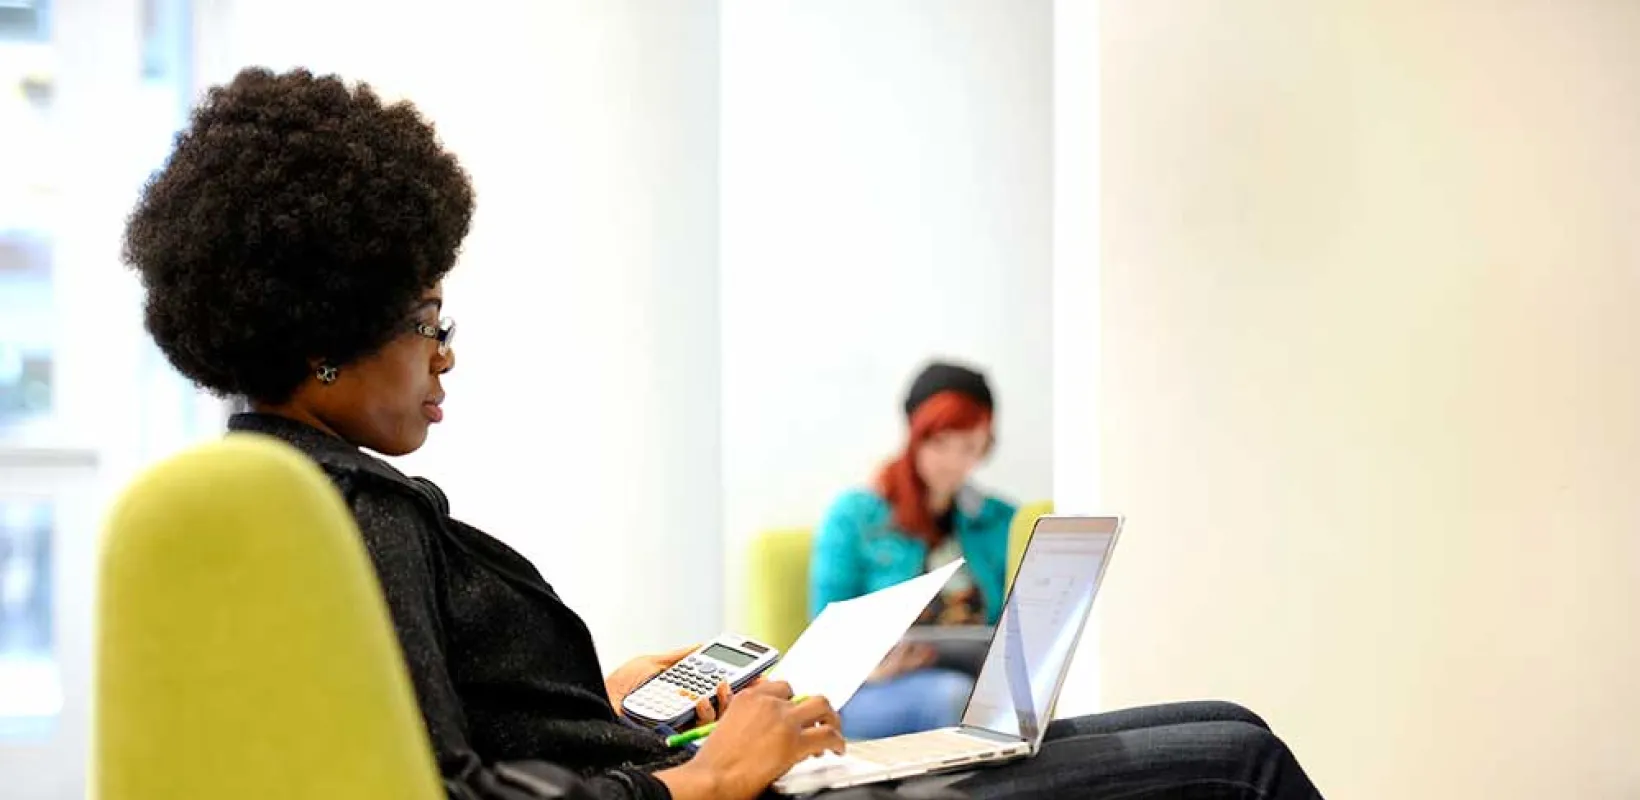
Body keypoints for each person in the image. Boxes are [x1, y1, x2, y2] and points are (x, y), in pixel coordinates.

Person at [123, 66, 1326, 800]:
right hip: (719, 796)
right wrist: (702, 771)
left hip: (682, 771)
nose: (446, 353)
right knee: (1235, 760)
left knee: (1224, 729)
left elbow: (435, 741)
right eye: (426, 320)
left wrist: (605, 702)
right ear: (326, 337)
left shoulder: (309, 506)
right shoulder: (352, 516)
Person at [812, 361, 1012, 739]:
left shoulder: (1000, 521)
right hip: (868, 690)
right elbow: (824, 637)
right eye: (940, 443)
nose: (954, 462)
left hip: (973, 680)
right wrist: (871, 669)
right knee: (953, 698)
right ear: (915, 436)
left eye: (969, 446)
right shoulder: (855, 516)